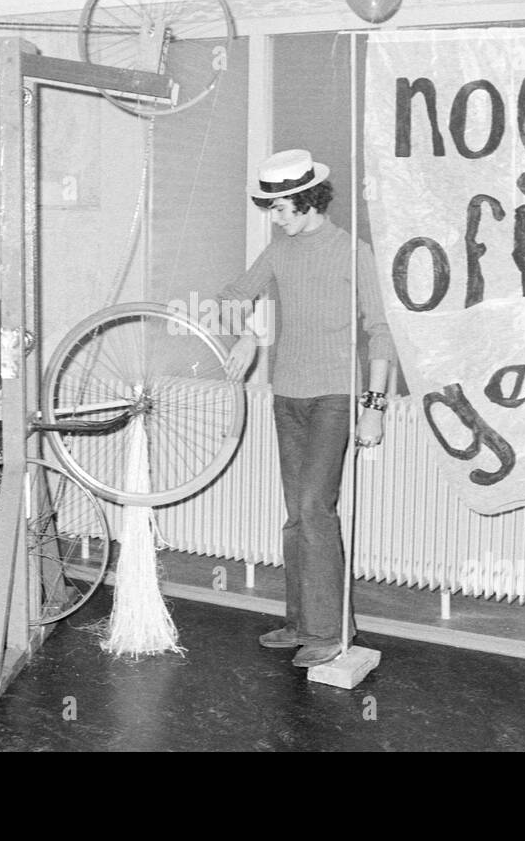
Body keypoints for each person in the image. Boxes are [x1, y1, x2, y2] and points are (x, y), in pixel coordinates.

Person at [219, 149, 395, 669]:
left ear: (306, 200)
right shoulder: (279, 251)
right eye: (270, 209)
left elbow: (380, 332)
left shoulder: (352, 252)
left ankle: (330, 631)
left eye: (279, 208)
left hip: (335, 397)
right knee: (297, 515)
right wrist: (248, 334)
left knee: (317, 507)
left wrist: (375, 406)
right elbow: (234, 294)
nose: (274, 218)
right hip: (287, 395)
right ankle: (301, 621)